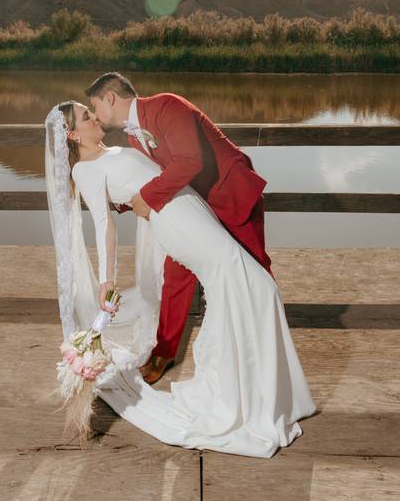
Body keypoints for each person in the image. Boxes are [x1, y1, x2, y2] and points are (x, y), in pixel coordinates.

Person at [43, 100, 315, 458]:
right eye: (85, 116)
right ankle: (242, 396)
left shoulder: (118, 148)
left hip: (189, 207)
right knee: (254, 286)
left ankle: (248, 391)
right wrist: (106, 279)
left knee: (232, 292)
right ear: (72, 134)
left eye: (91, 111)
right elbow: (103, 224)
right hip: (175, 221)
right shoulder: (86, 171)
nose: (94, 117)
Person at [85, 72, 271, 385]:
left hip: (231, 194)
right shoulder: (133, 136)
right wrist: (121, 200)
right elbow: (154, 176)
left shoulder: (167, 105)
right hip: (196, 212)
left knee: (256, 272)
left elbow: (189, 162)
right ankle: (164, 351)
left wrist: (145, 197)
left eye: (95, 106)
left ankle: (265, 346)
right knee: (176, 275)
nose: (96, 116)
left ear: (110, 98)